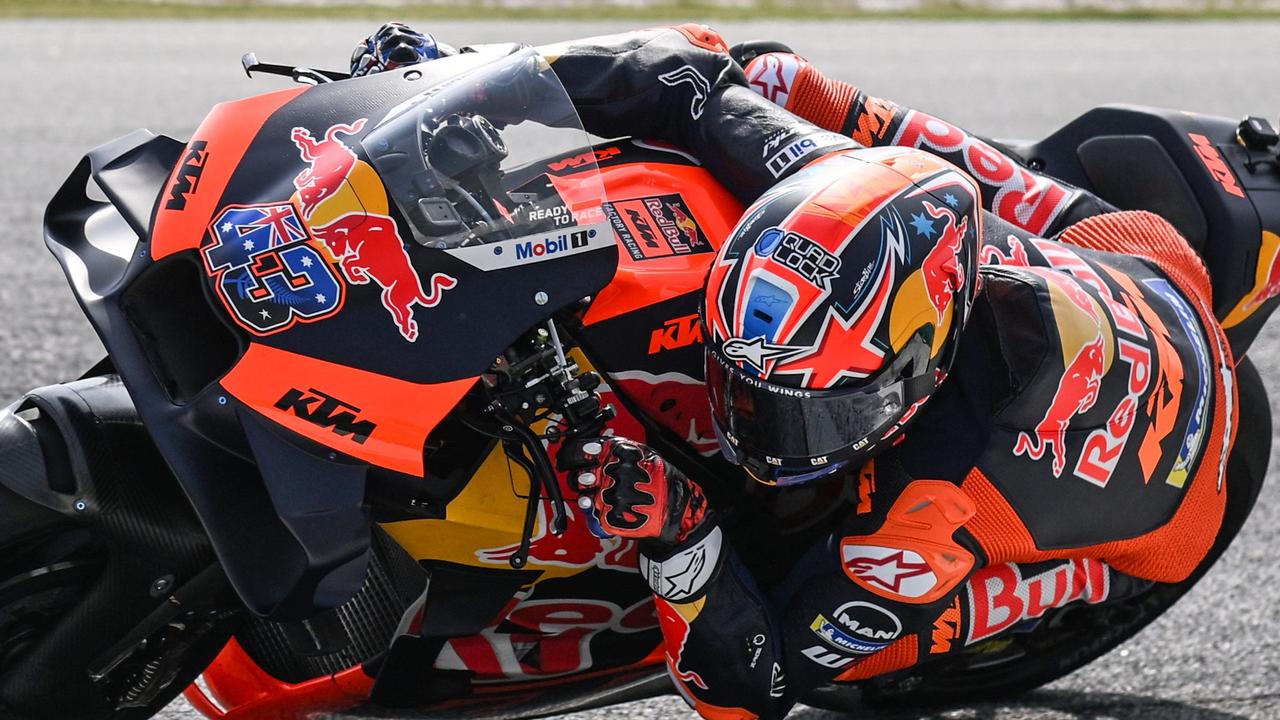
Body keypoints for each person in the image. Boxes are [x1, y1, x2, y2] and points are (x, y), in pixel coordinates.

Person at [353, 24, 1260, 719]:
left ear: (915, 375)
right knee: (773, 77)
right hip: (1125, 255)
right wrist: (458, 89)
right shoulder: (828, 175)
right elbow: (684, 66)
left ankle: (1029, 592)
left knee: (853, 651)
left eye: (806, 414)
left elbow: (762, 686)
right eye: (743, 387)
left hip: (1175, 493)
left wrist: (680, 530)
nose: (753, 431)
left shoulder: (929, 504)